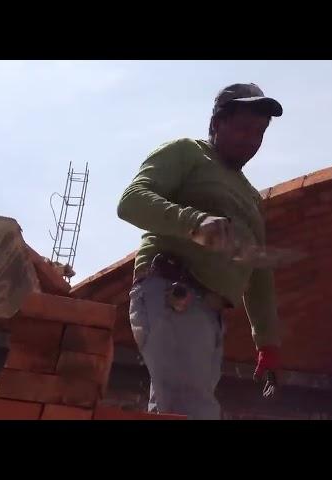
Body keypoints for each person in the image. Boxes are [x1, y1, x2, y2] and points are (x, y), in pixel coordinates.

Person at [117, 83, 283, 419]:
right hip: (174, 293)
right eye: (244, 128)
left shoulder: (251, 197)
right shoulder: (187, 153)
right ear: (216, 124)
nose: (252, 140)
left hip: (209, 316)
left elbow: (259, 274)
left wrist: (267, 342)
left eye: (260, 132)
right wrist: (194, 222)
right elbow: (131, 202)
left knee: (174, 409)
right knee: (191, 409)